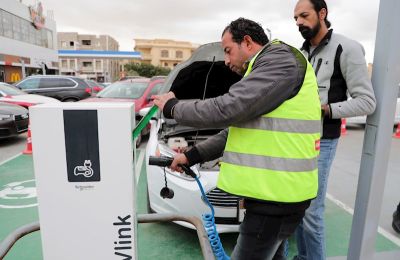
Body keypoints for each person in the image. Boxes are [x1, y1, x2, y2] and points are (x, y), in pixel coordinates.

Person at [153, 17, 322, 259]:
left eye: (228, 51)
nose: (226, 60)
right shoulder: (266, 69)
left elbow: (227, 108)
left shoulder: (280, 60)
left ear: (248, 42)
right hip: (273, 195)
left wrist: (173, 107)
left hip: (275, 198)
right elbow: (237, 130)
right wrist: (192, 155)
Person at [292, 0, 376, 259]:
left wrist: (325, 109)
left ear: (322, 13)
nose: (298, 23)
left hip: (323, 139)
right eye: (295, 18)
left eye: (304, 16)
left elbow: (367, 102)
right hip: (294, 139)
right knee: (297, 206)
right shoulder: (300, 52)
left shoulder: (347, 48)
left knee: (312, 211)